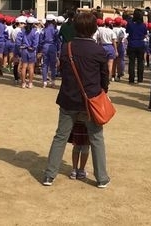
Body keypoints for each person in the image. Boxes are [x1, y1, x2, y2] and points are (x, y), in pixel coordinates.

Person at [43, 11, 110, 188]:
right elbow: (104, 77)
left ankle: (50, 175)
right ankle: (101, 178)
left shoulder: (67, 48)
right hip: (91, 100)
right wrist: (103, 91)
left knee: (60, 137)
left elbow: (64, 71)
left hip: (68, 98)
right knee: (96, 137)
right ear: (94, 29)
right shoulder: (98, 50)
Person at [126, 8, 148, 84]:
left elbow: (127, 31)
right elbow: (145, 34)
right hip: (141, 44)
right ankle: (140, 79)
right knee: (140, 62)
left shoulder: (130, 24)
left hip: (132, 44)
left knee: (131, 62)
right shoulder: (143, 25)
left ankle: (131, 79)